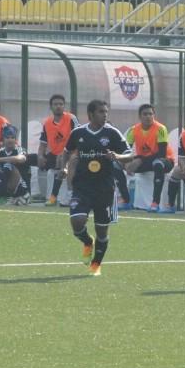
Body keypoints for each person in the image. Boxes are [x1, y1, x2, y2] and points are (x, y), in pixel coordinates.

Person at [64, 99, 134, 276]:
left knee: (102, 229)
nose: (105, 115)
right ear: (91, 114)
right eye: (101, 112)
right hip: (82, 186)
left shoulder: (112, 133)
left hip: (104, 188)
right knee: (77, 221)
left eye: (106, 112)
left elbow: (129, 154)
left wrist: (117, 155)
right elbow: (68, 152)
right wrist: (64, 168)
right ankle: (87, 241)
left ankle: (96, 264)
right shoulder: (78, 133)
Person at [125, 104, 174, 212]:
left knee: (158, 163)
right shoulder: (133, 130)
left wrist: (140, 159)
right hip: (146, 161)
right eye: (145, 114)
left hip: (166, 161)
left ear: (154, 115)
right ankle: (125, 200)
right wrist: (127, 163)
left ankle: (155, 203)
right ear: (139, 116)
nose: (148, 116)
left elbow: (161, 154)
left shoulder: (161, 128)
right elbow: (126, 151)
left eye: (150, 114)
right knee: (117, 165)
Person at [38, 94, 79, 206]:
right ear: (51, 107)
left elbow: (79, 137)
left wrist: (66, 153)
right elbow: (42, 144)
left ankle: (65, 197)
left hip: (73, 152)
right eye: (55, 104)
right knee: (28, 159)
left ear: (64, 106)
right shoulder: (47, 123)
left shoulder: (71, 118)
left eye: (61, 104)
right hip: (55, 154)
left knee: (63, 162)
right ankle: (25, 194)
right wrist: (40, 156)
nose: (58, 106)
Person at [0, 129, 29, 203]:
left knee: (8, 165)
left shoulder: (20, 149)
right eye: (7, 138)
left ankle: (2, 197)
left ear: (15, 140)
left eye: (12, 138)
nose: (10, 140)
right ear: (3, 140)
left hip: (20, 188)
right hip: (7, 187)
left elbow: (20, 159)